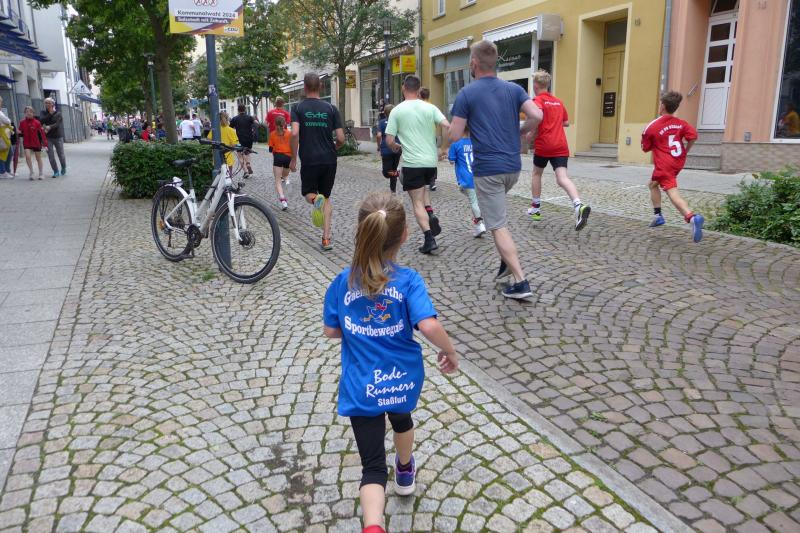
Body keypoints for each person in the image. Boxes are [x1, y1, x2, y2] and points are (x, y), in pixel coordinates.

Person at [323, 191, 459, 533]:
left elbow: (331, 330)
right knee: (402, 420)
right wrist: (450, 350)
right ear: (405, 235)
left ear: (361, 231)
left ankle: (373, 526)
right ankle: (405, 468)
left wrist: (359, 330)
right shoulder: (409, 281)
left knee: (371, 467)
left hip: (361, 386)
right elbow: (428, 325)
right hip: (401, 380)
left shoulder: (342, 282)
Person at [448, 40, 543, 299]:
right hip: (512, 167)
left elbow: (455, 134)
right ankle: (505, 258)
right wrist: (521, 131)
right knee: (497, 215)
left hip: (488, 169)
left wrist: (448, 130)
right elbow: (537, 115)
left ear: (474, 63)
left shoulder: (467, 93)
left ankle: (521, 281)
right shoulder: (514, 89)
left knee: (497, 225)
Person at [385, 76, 450, 255]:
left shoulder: (397, 111)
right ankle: (430, 213)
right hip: (430, 162)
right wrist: (444, 148)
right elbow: (447, 126)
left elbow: (389, 140)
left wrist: (395, 146)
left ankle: (429, 239)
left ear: (403, 88)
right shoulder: (430, 107)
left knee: (417, 201)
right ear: (419, 89)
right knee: (424, 191)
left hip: (412, 163)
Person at [527, 70, 591, 230]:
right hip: (561, 145)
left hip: (544, 144)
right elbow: (566, 122)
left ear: (535, 85)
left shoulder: (537, 100)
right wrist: (554, 122)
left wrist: (528, 137)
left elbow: (536, 117)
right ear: (547, 85)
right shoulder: (558, 102)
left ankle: (536, 209)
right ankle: (578, 205)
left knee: (536, 173)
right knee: (562, 178)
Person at [290, 72, 345, 251]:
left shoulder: (298, 108)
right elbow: (341, 138)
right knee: (326, 198)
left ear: (304, 87)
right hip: (329, 159)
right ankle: (326, 239)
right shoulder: (331, 109)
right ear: (321, 86)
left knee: (309, 193)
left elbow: (295, 133)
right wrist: (334, 148)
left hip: (309, 158)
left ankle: (315, 201)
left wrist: (293, 158)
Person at [642, 91, 704, 242]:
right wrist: (686, 150)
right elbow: (693, 136)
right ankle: (658, 216)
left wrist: (657, 143)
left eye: (660, 103)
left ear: (663, 105)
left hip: (665, 164)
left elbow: (645, 147)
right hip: (678, 161)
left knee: (672, 192)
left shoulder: (653, 126)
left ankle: (691, 217)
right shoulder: (681, 123)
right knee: (652, 184)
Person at [448, 126, 486, 238]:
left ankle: (479, 224)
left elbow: (451, 161)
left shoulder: (455, 144)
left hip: (466, 178)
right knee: (474, 198)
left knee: (473, 200)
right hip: (479, 176)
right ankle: (479, 221)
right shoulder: (477, 142)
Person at [268, 115, 292, 210]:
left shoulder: (272, 134)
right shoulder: (289, 133)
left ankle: (283, 201)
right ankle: (288, 185)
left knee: (278, 180)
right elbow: (294, 146)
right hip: (288, 157)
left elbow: (270, 149)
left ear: (275, 124)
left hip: (278, 157)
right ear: (284, 123)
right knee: (285, 176)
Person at [418, 87, 439, 191]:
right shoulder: (433, 107)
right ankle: (432, 181)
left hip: (420, 137)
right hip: (431, 136)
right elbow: (437, 122)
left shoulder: (418, 108)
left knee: (420, 158)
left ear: (420, 95)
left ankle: (421, 179)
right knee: (432, 158)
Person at [376, 104, 400, 193]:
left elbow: (379, 135)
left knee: (386, 172)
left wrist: (378, 146)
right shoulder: (398, 122)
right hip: (397, 148)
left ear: (385, 113)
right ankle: (393, 190)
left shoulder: (382, 122)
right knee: (393, 169)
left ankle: (398, 174)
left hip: (386, 149)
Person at [40, 98, 67, 178]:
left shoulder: (58, 113)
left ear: (52, 104)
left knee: (61, 155)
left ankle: (63, 167)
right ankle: (55, 171)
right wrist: (50, 114)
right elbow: (42, 121)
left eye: (49, 103)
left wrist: (49, 127)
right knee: (51, 156)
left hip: (58, 137)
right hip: (48, 137)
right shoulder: (43, 113)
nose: (47, 104)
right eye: (46, 103)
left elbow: (57, 124)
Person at [19, 106, 47, 180]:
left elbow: (42, 134)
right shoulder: (22, 122)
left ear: (33, 113)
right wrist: (18, 133)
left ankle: (41, 173)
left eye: (30, 112)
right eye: (27, 112)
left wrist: (44, 143)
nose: (29, 113)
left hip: (36, 142)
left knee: (38, 158)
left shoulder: (37, 122)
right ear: (25, 113)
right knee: (28, 156)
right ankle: (31, 172)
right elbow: (20, 132)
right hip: (27, 142)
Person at [230, 104, 256, 178]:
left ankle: (245, 172)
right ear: (245, 109)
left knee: (240, 155)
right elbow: (257, 123)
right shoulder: (249, 117)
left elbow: (230, 128)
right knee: (247, 153)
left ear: (238, 110)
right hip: (249, 139)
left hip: (239, 139)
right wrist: (253, 130)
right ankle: (248, 163)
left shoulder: (235, 118)